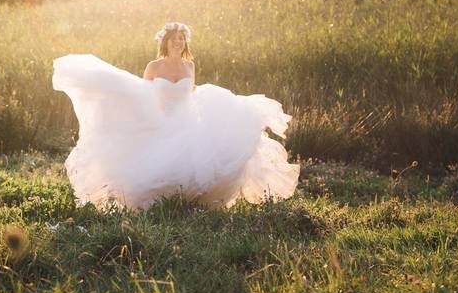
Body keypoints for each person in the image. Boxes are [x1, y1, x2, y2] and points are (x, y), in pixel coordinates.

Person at [52, 21, 300, 210]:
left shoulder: (189, 66)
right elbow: (143, 95)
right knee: (154, 165)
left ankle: (191, 201)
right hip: (160, 119)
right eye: (174, 39)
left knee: (219, 138)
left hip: (186, 118)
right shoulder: (154, 66)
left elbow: (191, 93)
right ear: (166, 42)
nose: (178, 43)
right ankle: (164, 202)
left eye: (182, 39)